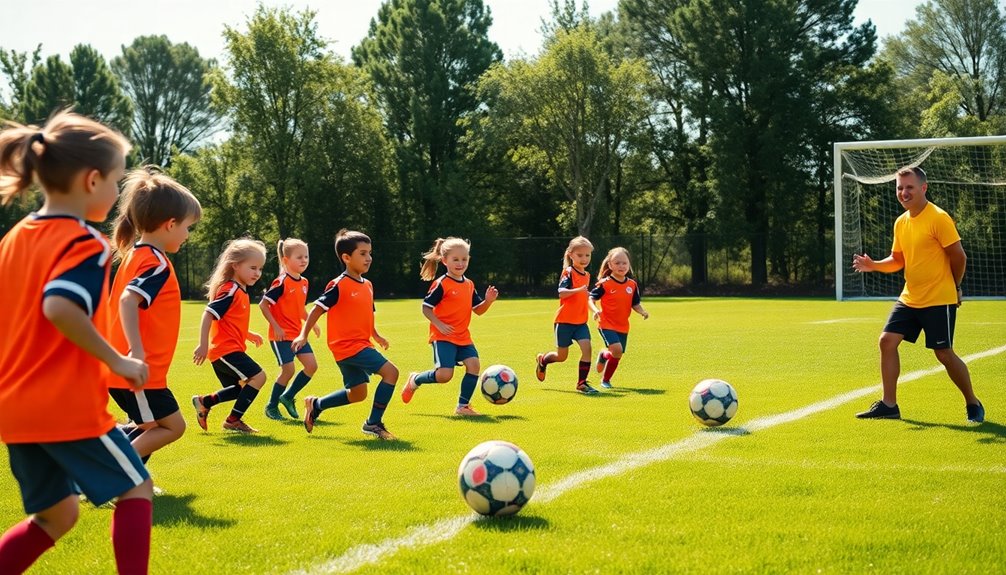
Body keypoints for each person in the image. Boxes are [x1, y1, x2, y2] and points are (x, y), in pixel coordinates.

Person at [0, 112, 153, 574]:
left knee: (58, 514)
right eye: (115, 181)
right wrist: (119, 361)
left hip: (14, 406)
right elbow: (59, 307)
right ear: (92, 181)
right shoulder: (84, 242)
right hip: (63, 403)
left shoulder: (13, 239)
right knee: (136, 488)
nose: (116, 194)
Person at [852, 166, 984, 423]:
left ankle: (972, 402)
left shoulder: (939, 218)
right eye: (900, 188)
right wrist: (875, 265)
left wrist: (955, 286)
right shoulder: (901, 222)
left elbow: (959, 256)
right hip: (910, 297)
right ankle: (889, 405)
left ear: (923, 188)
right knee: (886, 341)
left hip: (939, 298)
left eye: (909, 187)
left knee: (944, 353)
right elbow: (898, 259)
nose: (903, 192)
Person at [107, 168, 201, 468]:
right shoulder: (156, 264)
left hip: (132, 372)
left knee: (149, 426)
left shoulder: (135, 255)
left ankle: (113, 452)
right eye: (188, 227)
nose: (188, 235)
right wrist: (135, 351)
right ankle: (111, 474)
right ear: (170, 224)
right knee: (172, 427)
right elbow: (128, 300)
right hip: (138, 374)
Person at [292, 229, 399, 440]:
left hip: (360, 344)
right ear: (346, 257)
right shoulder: (338, 284)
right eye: (363, 253)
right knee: (391, 373)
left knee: (358, 393)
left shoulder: (367, 285)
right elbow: (317, 308)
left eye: (369, 253)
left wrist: (376, 335)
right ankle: (373, 424)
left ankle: (316, 405)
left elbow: (367, 313)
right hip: (348, 346)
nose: (369, 258)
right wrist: (303, 335)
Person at [400, 237, 498, 416]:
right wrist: (439, 324)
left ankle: (463, 407)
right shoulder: (441, 284)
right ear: (445, 261)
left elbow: (478, 310)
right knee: (445, 376)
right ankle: (415, 380)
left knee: (474, 365)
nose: (460, 263)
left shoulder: (469, 284)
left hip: (462, 336)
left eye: (464, 259)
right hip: (442, 336)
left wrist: (488, 301)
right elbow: (426, 307)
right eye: (456, 259)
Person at [191, 239, 268, 433]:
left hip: (229, 350)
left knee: (240, 389)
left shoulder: (240, 291)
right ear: (235, 265)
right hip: (225, 351)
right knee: (258, 377)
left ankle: (204, 402)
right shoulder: (230, 289)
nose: (257, 273)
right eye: (252, 267)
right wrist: (202, 345)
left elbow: (229, 320)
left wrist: (247, 334)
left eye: (260, 269)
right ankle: (233, 420)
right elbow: (208, 313)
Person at [260, 238, 319, 420]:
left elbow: (300, 308)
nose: (304, 260)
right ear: (286, 260)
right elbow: (263, 305)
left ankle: (288, 396)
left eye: (306, 257)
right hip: (281, 336)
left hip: (297, 335)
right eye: (299, 257)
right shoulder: (281, 282)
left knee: (311, 366)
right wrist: (276, 327)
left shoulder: (304, 282)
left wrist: (312, 322)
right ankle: (271, 406)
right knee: (288, 370)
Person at [534, 236, 598, 394]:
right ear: (571, 255)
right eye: (580, 255)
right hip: (564, 322)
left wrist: (594, 309)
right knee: (562, 357)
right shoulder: (568, 272)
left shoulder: (587, 275)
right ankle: (543, 360)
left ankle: (582, 383)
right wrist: (578, 290)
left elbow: (583, 296)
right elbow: (561, 293)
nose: (584, 259)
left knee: (587, 349)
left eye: (587, 255)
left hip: (581, 322)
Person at [589, 246, 649, 389]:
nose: (621, 266)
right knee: (616, 350)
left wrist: (642, 312)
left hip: (623, 326)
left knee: (618, 354)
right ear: (610, 265)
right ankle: (605, 372)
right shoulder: (605, 284)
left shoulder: (632, 285)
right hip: (606, 323)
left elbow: (635, 304)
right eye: (617, 263)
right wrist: (595, 310)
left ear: (629, 265)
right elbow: (591, 299)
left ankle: (606, 375)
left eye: (624, 263)